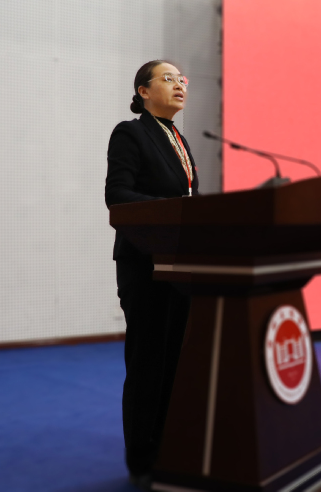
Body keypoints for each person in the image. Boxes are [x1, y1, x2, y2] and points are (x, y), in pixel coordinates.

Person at [105, 60, 199, 489]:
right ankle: (143, 460)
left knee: (177, 363)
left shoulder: (179, 138)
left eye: (182, 79)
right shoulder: (131, 133)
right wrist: (178, 211)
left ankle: (170, 448)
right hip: (145, 265)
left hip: (182, 265)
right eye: (168, 78)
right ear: (143, 91)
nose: (179, 84)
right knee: (148, 363)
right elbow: (118, 195)